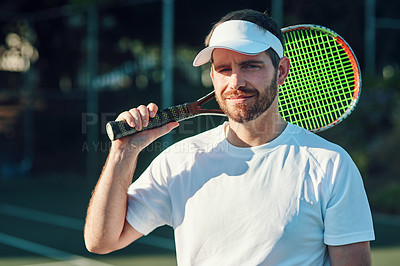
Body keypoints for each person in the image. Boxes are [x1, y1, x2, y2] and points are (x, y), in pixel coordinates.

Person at [84, 9, 375, 265]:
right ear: (213, 77)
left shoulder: (331, 165)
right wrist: (123, 151)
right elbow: (101, 241)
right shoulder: (178, 161)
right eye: (224, 69)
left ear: (282, 70)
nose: (235, 82)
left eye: (251, 65)